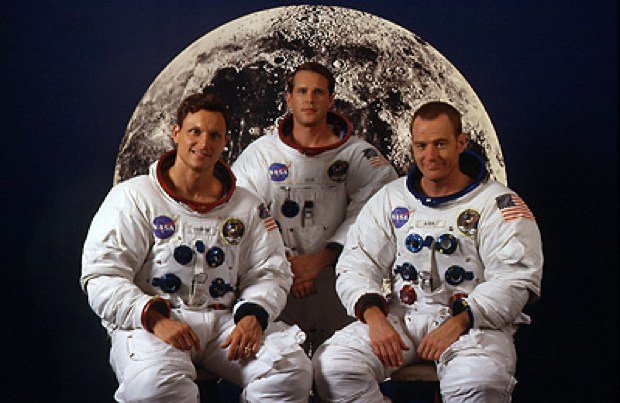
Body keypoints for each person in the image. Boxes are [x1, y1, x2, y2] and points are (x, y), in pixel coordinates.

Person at [81, 93, 312, 402]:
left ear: (225, 142)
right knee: (155, 387)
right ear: (176, 133)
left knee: (290, 372)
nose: (204, 143)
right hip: (156, 322)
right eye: (195, 131)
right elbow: (103, 276)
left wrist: (253, 314)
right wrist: (153, 318)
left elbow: (269, 272)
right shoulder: (134, 198)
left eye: (215, 135)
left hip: (224, 321)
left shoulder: (247, 206)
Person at [313, 101, 543, 402]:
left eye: (440, 144)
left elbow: (516, 278)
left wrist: (462, 320)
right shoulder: (391, 199)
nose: (430, 156)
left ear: (461, 143)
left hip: (475, 325)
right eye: (421, 146)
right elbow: (357, 263)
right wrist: (374, 315)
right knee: (333, 368)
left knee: (478, 384)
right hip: (404, 317)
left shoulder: (497, 205)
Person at [232, 62, 398, 352]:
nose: (309, 99)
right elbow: (244, 216)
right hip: (276, 283)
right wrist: (289, 262)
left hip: (338, 285)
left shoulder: (359, 156)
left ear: (331, 100)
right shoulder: (261, 154)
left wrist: (320, 260)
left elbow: (372, 216)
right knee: (282, 365)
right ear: (289, 98)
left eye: (318, 92)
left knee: (339, 366)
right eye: (302, 91)